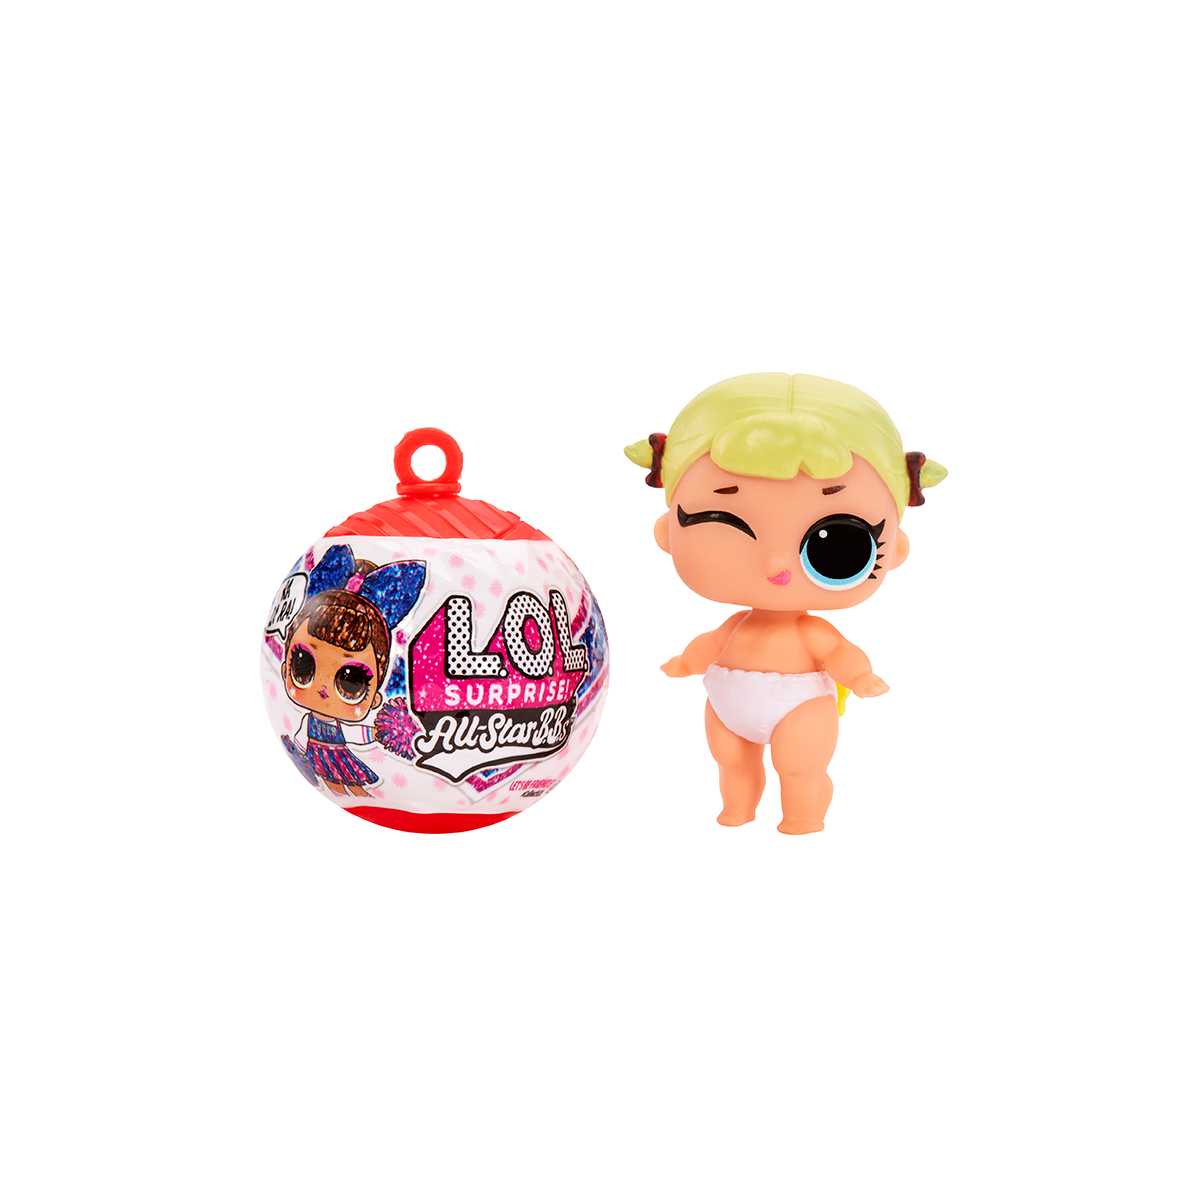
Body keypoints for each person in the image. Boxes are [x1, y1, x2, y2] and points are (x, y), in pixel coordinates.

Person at [625, 372, 946, 834]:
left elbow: (838, 652)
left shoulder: (809, 633)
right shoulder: (736, 626)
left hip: (800, 707)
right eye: (722, 521)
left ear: (894, 550)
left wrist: (860, 677)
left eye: (839, 541)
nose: (776, 563)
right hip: (726, 702)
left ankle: (803, 816)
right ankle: (737, 810)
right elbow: (710, 644)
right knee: (731, 762)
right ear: (667, 534)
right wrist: (686, 662)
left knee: (800, 768)